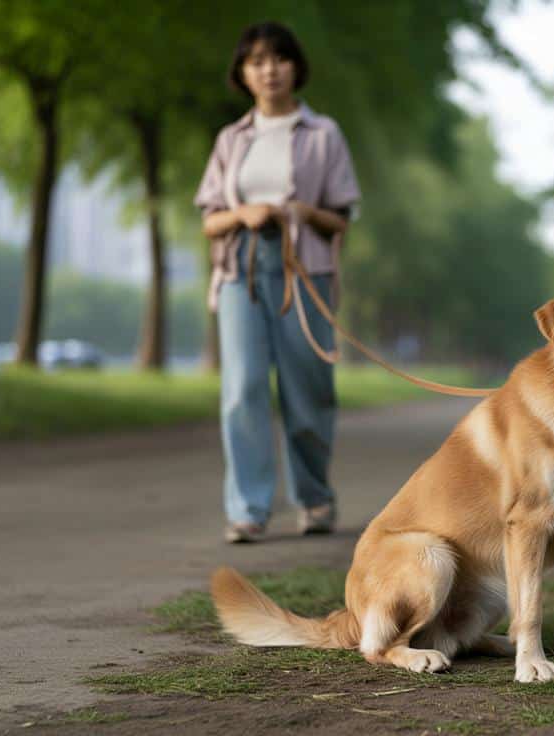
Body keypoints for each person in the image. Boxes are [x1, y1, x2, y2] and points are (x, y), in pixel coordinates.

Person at [194, 21, 361, 543]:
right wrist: (243, 213)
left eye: (279, 59)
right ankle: (248, 509)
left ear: (295, 67)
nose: (270, 70)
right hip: (240, 271)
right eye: (258, 61)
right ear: (243, 73)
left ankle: (314, 499)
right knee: (241, 390)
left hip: (304, 270)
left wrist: (302, 211)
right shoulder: (230, 139)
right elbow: (209, 219)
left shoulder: (323, 134)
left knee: (307, 391)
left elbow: (342, 218)